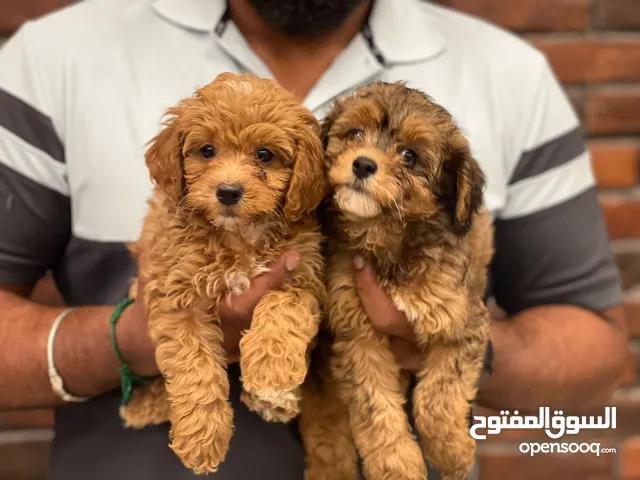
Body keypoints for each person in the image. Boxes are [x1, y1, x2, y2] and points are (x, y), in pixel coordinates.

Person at [0, 0, 628, 479]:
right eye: (207, 152)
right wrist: (130, 340)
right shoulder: (57, 55)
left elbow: (598, 352)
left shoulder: (510, 73)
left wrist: (452, 346)